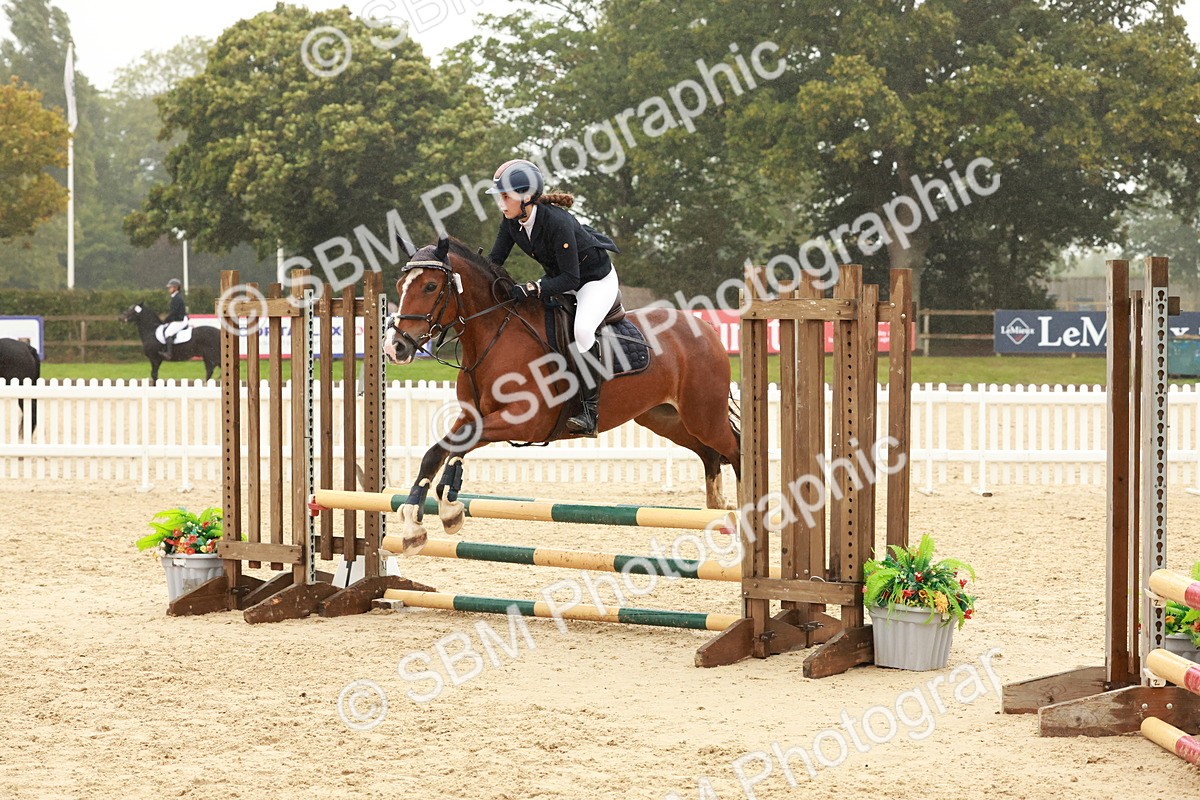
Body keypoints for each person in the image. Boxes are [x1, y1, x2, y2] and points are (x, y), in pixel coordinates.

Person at [486, 159, 621, 437]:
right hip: (563, 280)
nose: (501, 202)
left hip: (594, 281)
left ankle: (589, 413)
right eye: (500, 196)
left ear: (525, 197)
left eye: (505, 196)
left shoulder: (557, 222)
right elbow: (494, 261)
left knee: (583, 331)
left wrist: (533, 288)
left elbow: (571, 279)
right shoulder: (512, 221)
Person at [161, 278, 189, 359]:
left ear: (175, 288)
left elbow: (173, 312)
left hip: (180, 320)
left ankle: (169, 354)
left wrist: (165, 320)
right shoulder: (175, 297)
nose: (169, 289)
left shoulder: (177, 298)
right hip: (178, 319)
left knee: (168, 333)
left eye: (170, 287)